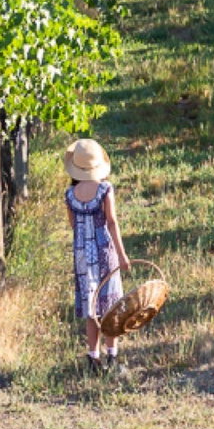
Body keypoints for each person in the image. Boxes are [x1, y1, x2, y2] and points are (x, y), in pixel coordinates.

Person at [64, 138, 131, 374]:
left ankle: (93, 359)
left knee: (91, 306)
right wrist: (122, 256)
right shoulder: (104, 190)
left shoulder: (70, 194)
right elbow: (111, 223)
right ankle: (113, 357)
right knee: (111, 305)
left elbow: (74, 226)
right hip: (104, 252)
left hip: (82, 254)